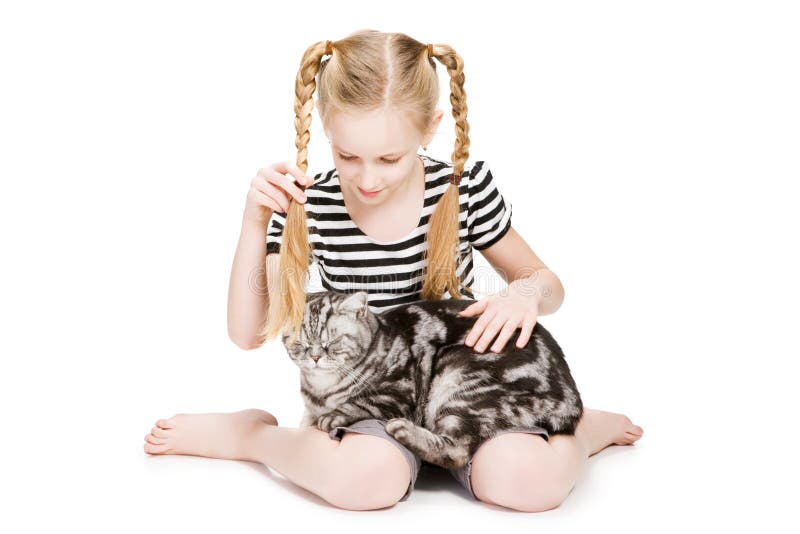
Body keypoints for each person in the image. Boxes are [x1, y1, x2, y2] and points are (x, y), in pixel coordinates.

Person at [143, 29, 644, 512]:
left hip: (462, 385)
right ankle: (253, 436)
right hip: (363, 396)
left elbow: (548, 283)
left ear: (429, 129)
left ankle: (582, 433)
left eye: (389, 157)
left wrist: (526, 293)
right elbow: (248, 333)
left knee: (528, 484)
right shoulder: (309, 203)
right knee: (366, 482)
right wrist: (255, 222)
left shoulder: (462, 189)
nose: (367, 177)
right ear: (325, 128)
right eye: (346, 155)